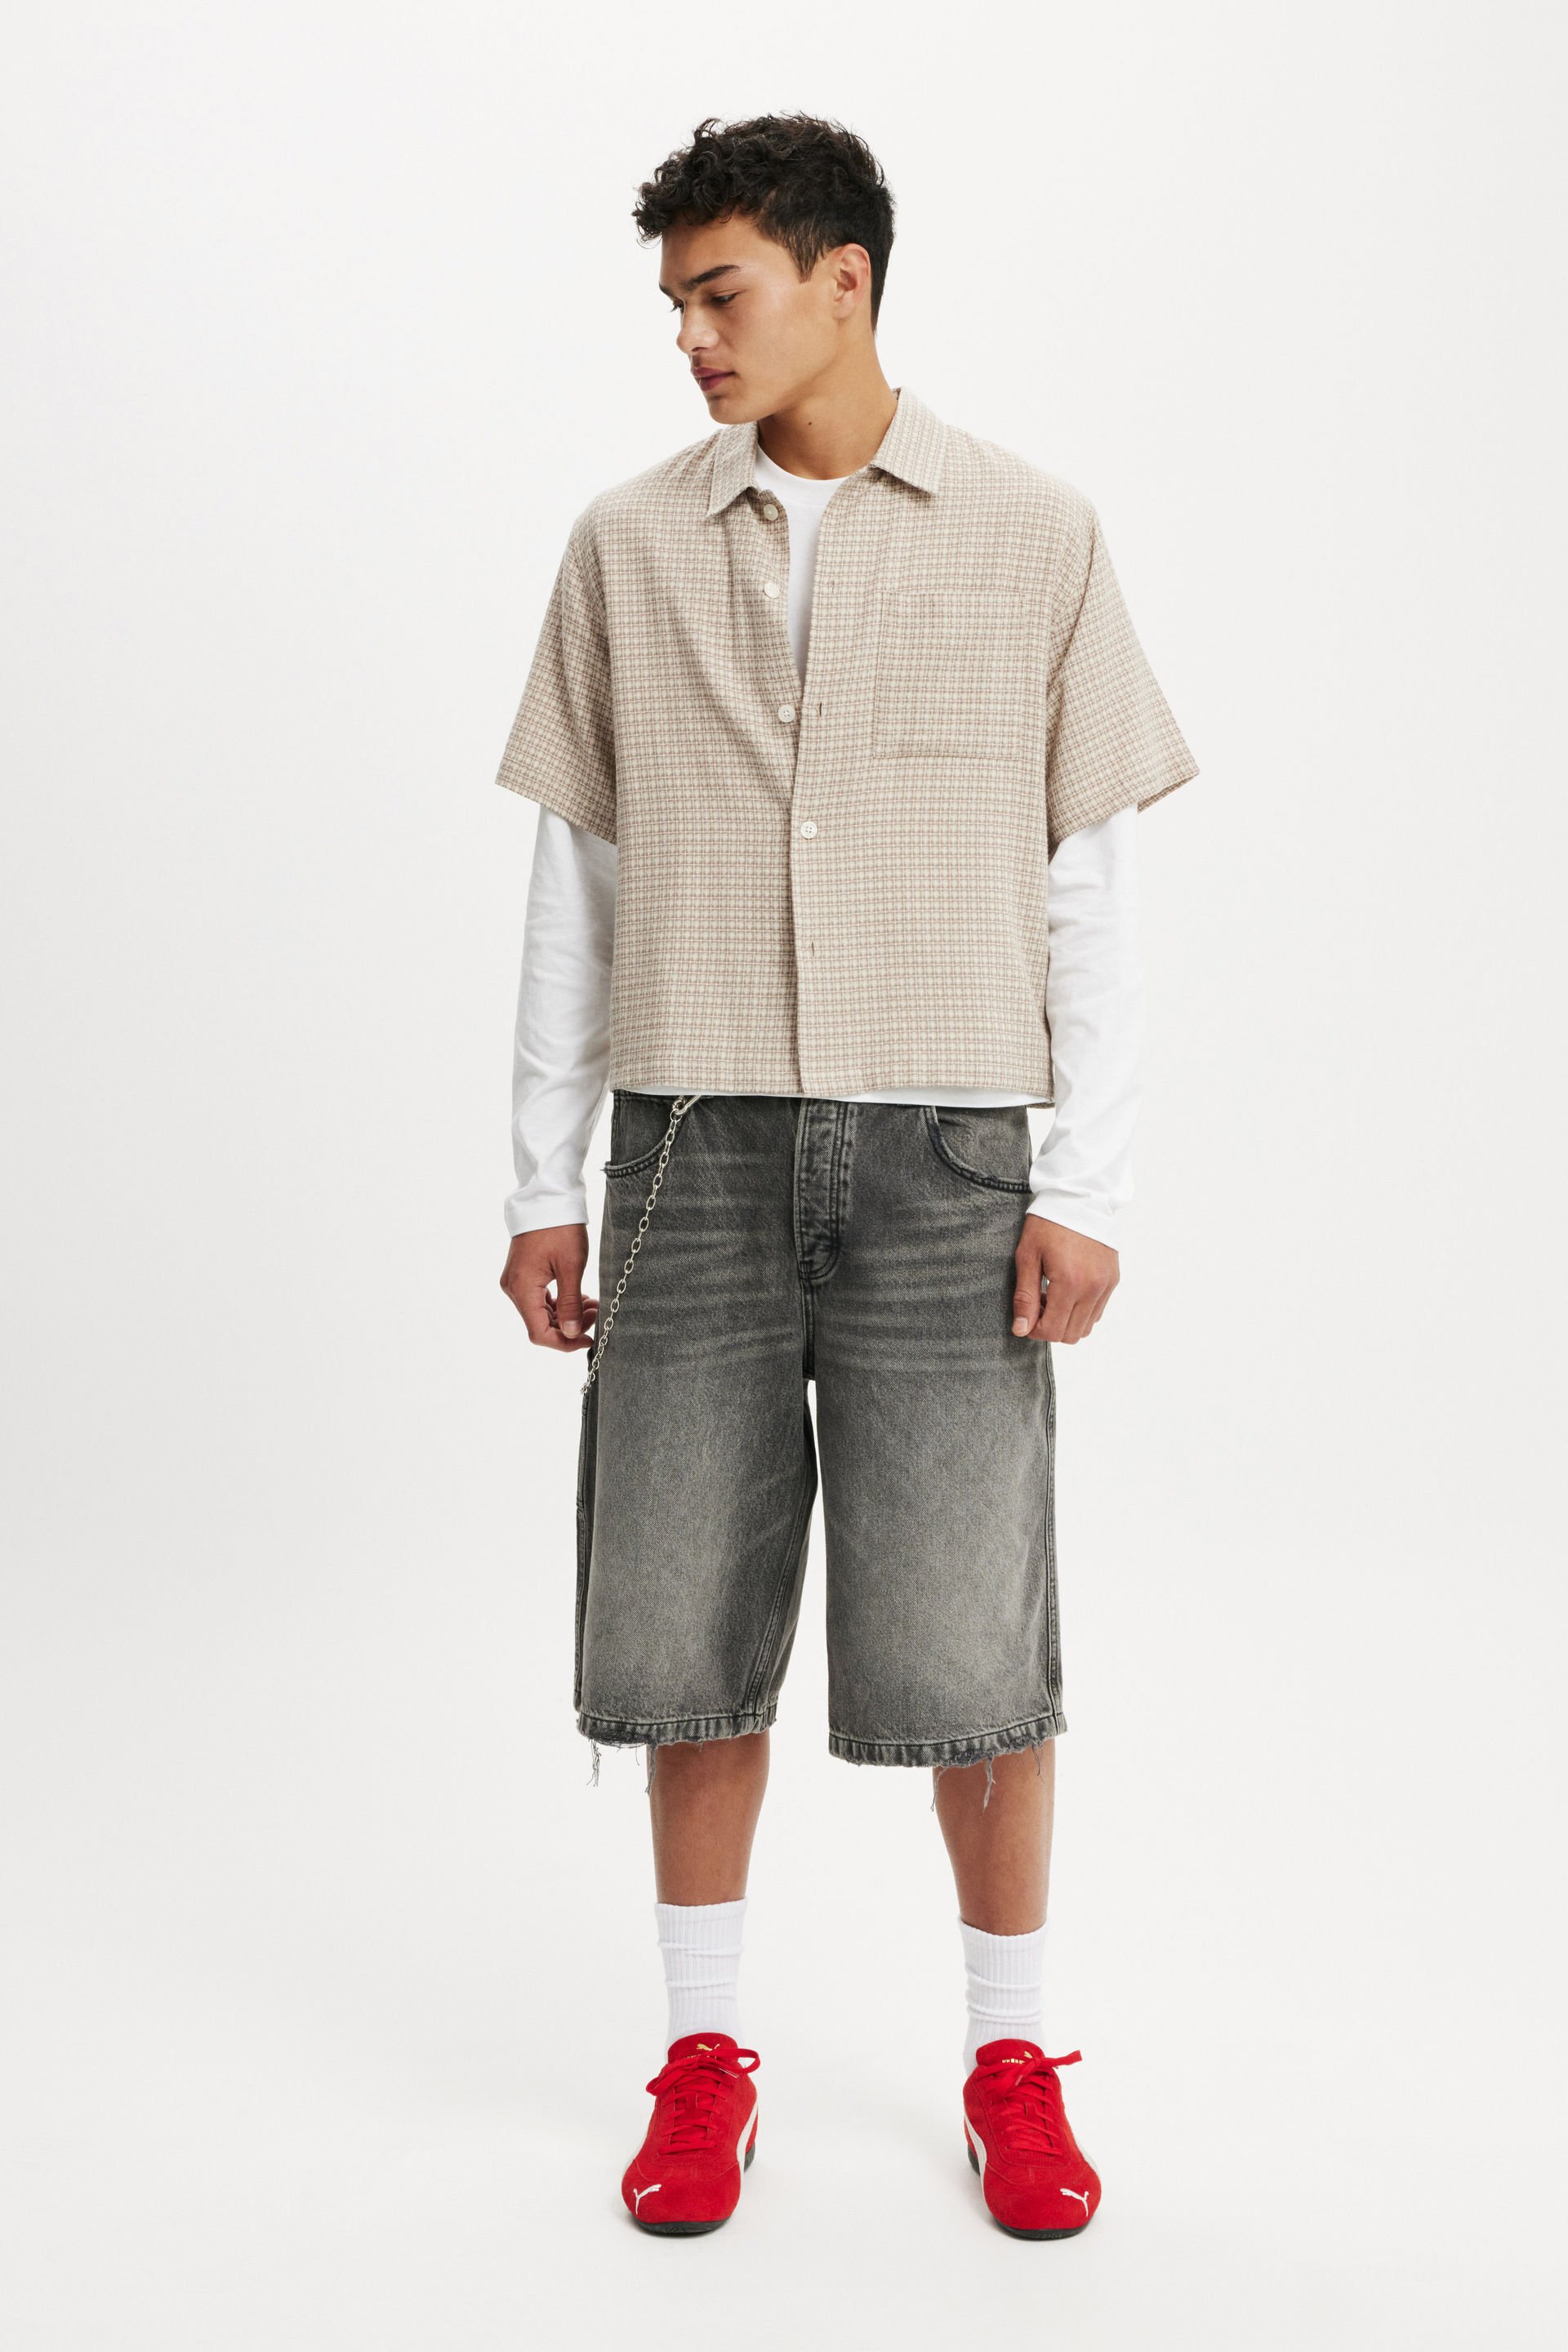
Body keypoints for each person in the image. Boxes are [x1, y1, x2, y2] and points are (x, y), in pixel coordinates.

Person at [495, 113, 1197, 2241]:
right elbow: (578, 881)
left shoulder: (1033, 534)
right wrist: (543, 1180)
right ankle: (706, 2055)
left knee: (974, 1633)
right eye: (675, 304)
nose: (692, 339)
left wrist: (1088, 1183)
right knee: (682, 1623)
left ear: (844, 280)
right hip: (690, 1150)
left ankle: (1012, 2058)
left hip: (950, 1157)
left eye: (721, 293)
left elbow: (1089, 887)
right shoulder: (627, 545)